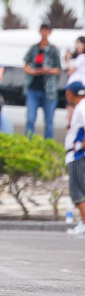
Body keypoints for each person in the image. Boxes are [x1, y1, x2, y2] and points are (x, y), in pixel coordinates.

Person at [24, 23, 62, 139]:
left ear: (50, 32)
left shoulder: (53, 50)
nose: (44, 33)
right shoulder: (34, 48)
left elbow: (59, 70)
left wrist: (48, 70)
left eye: (47, 30)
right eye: (42, 30)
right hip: (33, 89)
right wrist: (34, 71)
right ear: (40, 31)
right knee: (30, 119)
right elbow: (25, 66)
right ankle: (27, 145)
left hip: (49, 91)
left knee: (49, 122)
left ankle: (48, 146)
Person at [63, 81, 85, 235]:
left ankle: (84, 223)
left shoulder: (81, 107)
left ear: (72, 93)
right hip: (77, 153)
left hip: (77, 155)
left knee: (78, 192)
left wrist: (81, 146)